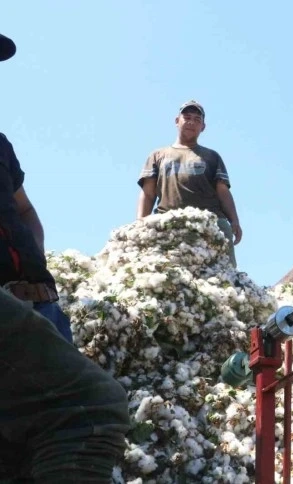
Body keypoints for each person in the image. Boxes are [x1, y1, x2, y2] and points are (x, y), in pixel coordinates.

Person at [0, 31, 131, 483]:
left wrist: (36, 265)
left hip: (40, 304)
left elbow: (25, 209)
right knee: (88, 407)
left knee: (20, 448)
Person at [0, 35, 72, 343]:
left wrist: (36, 252)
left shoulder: (1, 145)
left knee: (93, 391)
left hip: (44, 307)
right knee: (100, 393)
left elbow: (25, 208)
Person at [136, 100, 242, 266]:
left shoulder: (212, 157)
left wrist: (234, 221)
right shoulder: (158, 155)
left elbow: (223, 191)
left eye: (197, 120)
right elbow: (148, 193)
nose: (191, 122)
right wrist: (141, 222)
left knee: (224, 274)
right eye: (187, 117)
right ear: (177, 121)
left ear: (203, 127)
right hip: (166, 222)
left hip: (212, 222)